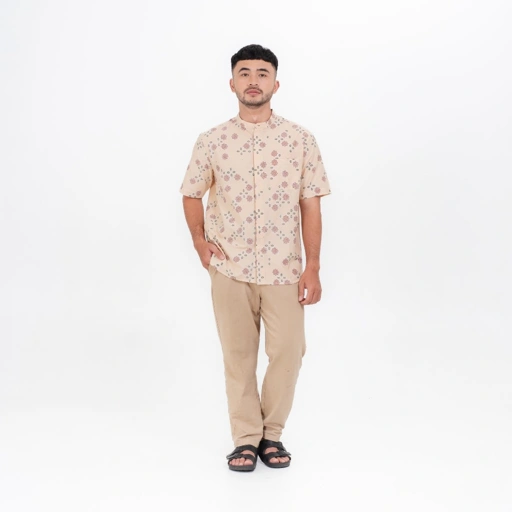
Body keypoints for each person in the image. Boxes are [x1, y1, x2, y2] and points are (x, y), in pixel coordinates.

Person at [180, 44, 331, 471]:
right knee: (238, 355)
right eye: (244, 73)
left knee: (289, 351)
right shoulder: (211, 141)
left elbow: (311, 204)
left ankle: (272, 433)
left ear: (276, 84)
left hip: (285, 268)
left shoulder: (301, 140)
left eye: (262, 73)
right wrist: (200, 242)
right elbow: (191, 192)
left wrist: (313, 266)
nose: (253, 80)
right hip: (230, 267)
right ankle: (246, 439)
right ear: (231, 84)